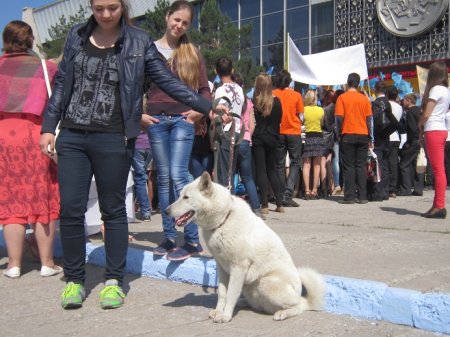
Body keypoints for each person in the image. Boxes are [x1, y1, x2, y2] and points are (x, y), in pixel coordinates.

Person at [39, 0, 227, 310]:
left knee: (112, 209)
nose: (106, 14)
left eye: (112, 7)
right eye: (98, 8)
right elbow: (61, 82)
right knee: (70, 208)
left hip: (113, 136)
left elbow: (166, 81)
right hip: (72, 135)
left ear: (122, 6)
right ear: (91, 6)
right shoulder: (75, 35)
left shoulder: (138, 41)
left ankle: (114, 280)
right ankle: (74, 280)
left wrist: (206, 106)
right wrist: (49, 126)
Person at [142, 0, 211, 261]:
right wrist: (140, 115)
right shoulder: (149, 51)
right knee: (162, 178)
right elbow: (135, 85)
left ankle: (192, 240)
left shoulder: (192, 52)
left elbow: (204, 89)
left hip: (183, 121)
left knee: (179, 175)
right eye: (176, 19)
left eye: (185, 22)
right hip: (156, 121)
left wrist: (199, 111)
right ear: (167, 16)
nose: (179, 25)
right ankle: (169, 237)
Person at [0, 20, 62, 279]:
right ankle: (47, 263)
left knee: (11, 201)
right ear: (30, 40)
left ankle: (14, 264)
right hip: (39, 136)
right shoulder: (45, 68)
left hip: (4, 138)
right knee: (43, 199)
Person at [335, 73, 373, 204]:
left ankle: (349, 197)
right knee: (361, 166)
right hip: (363, 134)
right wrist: (370, 137)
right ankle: (363, 196)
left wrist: (339, 132)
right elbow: (369, 120)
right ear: (358, 84)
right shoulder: (364, 99)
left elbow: (339, 118)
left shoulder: (342, 98)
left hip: (348, 134)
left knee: (349, 166)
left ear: (348, 82)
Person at [418, 61, 449, 219]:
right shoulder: (446, 89)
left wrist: (420, 123)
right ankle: (437, 205)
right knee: (439, 169)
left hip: (433, 129)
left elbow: (427, 113)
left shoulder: (435, 89)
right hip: (441, 129)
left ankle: (439, 205)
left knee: (438, 170)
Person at [251, 73, 285, 214]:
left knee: (261, 171)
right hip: (273, 138)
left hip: (259, 138)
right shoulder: (277, 102)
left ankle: (264, 204)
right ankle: (279, 203)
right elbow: (279, 120)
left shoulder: (255, 102)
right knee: (273, 170)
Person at [212, 57, 245, 189]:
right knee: (231, 169)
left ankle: (226, 203)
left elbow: (217, 113)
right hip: (237, 132)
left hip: (225, 132)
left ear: (216, 71)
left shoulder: (220, 90)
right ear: (232, 70)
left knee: (224, 172)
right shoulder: (239, 89)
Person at [273, 70, 304, 207]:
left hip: (279, 131)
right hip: (293, 131)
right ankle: (288, 193)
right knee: (295, 162)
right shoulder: (296, 95)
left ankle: (280, 193)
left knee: (279, 164)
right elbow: (302, 117)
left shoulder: (274, 94)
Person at [232, 73, 262, 217]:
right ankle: (256, 208)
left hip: (231, 138)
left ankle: (229, 209)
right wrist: (248, 135)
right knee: (247, 177)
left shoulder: (230, 100)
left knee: (230, 176)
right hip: (245, 140)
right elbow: (251, 125)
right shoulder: (248, 102)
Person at [368, 81, 392, 202]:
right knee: (385, 164)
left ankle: (377, 192)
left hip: (377, 137)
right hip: (386, 136)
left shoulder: (375, 103)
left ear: (376, 89)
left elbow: (372, 123)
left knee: (377, 165)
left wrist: (370, 138)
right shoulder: (388, 103)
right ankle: (385, 191)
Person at [302, 90, 326, 200]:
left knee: (306, 165)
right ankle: (314, 190)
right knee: (317, 165)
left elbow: (301, 123)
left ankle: (306, 190)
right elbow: (322, 124)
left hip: (307, 137)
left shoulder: (303, 110)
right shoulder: (321, 110)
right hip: (318, 137)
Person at [324, 89, 344, 195]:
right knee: (344, 161)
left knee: (335, 161)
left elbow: (326, 125)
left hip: (334, 137)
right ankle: (344, 185)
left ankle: (337, 184)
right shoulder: (346, 106)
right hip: (344, 135)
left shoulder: (328, 109)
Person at [131, 130, 152, 221]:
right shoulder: (149, 115)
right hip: (150, 146)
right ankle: (147, 209)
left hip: (137, 145)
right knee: (145, 177)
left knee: (140, 179)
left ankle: (145, 212)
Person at [386, 85, 403, 197]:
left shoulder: (387, 105)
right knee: (393, 164)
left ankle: (387, 187)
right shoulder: (399, 107)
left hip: (387, 136)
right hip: (396, 136)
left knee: (385, 163)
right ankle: (393, 188)